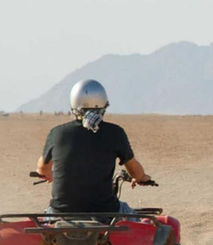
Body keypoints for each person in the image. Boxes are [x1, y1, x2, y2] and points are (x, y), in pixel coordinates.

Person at [36, 79, 151, 215]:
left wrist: (49, 174)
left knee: (43, 227)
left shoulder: (57, 133)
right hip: (106, 212)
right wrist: (141, 177)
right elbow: (135, 172)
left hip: (61, 212)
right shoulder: (115, 133)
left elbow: (42, 168)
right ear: (103, 105)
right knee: (139, 221)